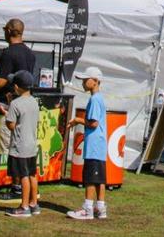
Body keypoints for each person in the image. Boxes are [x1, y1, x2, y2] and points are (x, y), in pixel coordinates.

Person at [68, 66, 109, 220]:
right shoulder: (98, 98)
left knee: (91, 179)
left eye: (86, 80)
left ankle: (87, 210)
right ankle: (100, 208)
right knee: (99, 179)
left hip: (94, 145)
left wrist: (77, 120)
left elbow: (93, 123)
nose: (83, 83)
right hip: (98, 145)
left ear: (96, 81)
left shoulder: (95, 99)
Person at [1, 70, 40, 218]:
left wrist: (7, 110)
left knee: (23, 175)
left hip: (20, 145)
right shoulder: (34, 101)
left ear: (16, 87)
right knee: (31, 174)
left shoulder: (16, 103)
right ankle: (33, 203)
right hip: (31, 144)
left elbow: (11, 125)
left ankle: (24, 206)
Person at [0, 19, 38, 91]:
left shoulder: (8, 53)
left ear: (8, 31)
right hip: (25, 97)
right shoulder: (30, 53)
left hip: (9, 98)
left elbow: (0, 83)